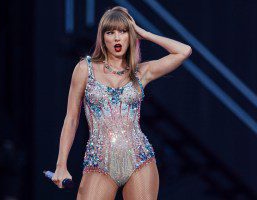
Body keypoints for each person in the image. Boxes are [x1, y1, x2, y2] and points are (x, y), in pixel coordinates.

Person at [52, 6, 192, 200]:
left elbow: (184, 51)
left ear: (130, 35)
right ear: (103, 38)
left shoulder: (141, 72)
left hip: (139, 160)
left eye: (123, 31)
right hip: (99, 163)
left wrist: (144, 33)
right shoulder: (85, 69)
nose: (117, 38)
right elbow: (72, 118)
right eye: (110, 32)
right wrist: (61, 165)